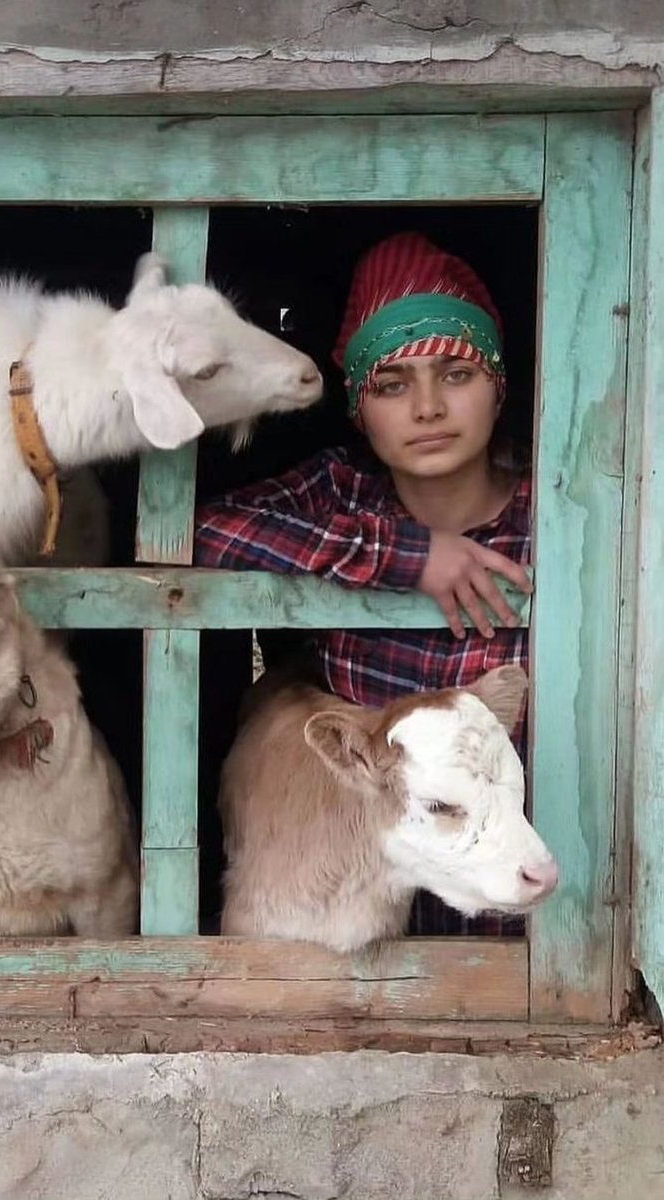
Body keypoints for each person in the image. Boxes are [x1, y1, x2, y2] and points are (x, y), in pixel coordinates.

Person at [194, 231, 533, 935]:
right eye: (391, 384)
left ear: (498, 387)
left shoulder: (559, 508)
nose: (427, 407)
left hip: (517, 874)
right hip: (356, 881)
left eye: (456, 374)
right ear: (358, 406)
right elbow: (202, 529)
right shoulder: (344, 493)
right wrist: (402, 556)